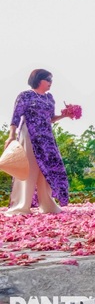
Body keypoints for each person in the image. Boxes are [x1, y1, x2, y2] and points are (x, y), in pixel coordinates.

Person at [4, 69, 69, 216]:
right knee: (29, 168)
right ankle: (22, 205)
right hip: (29, 134)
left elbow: (50, 118)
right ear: (39, 80)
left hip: (46, 137)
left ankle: (47, 205)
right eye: (48, 80)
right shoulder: (25, 96)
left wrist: (64, 116)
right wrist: (11, 136)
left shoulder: (49, 98)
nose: (50, 83)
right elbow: (15, 117)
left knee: (45, 169)